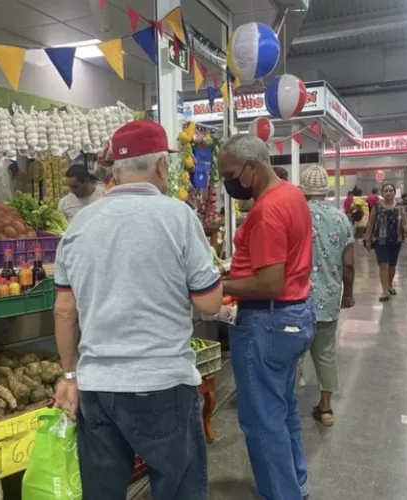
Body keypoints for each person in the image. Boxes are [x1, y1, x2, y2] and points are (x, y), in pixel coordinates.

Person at [53, 120, 222, 500]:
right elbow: (210, 304)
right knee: (178, 488)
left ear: (114, 169)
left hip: (97, 386)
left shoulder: (79, 224)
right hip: (162, 383)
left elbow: (65, 311)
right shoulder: (178, 218)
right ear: (162, 166)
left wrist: (69, 375)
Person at [217, 134, 314, 500]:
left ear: (253, 167)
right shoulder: (291, 193)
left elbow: (271, 282)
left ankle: (282, 493)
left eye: (230, 175)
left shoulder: (267, 210)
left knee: (262, 421)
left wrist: (222, 284)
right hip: (294, 315)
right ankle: (296, 484)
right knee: (283, 409)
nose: (229, 184)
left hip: (268, 321)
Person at [301, 165, 355, 427]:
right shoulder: (340, 218)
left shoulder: (296, 215)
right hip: (330, 298)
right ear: (326, 189)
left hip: (297, 299)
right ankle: (325, 410)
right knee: (325, 353)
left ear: (303, 189)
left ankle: (287, 406)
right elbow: (348, 263)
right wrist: (349, 294)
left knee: (292, 356)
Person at [365, 183, 407, 301]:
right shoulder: (377, 207)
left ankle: (389, 284)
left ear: (394, 192)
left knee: (392, 266)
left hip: (396, 240)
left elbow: (405, 223)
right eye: (386, 191)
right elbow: (371, 224)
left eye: (390, 190)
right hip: (380, 241)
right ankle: (384, 291)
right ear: (382, 193)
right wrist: (367, 239)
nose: (388, 193)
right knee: (383, 265)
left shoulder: (400, 207)